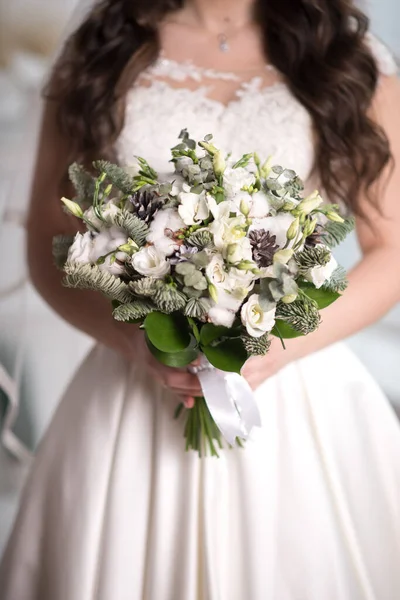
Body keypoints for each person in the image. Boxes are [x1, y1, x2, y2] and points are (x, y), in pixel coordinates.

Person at [1, 0, 400, 598]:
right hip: (132, 388)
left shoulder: (342, 53)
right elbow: (48, 242)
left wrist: (275, 347)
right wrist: (137, 344)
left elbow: (391, 249)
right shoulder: (103, 47)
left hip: (293, 391)